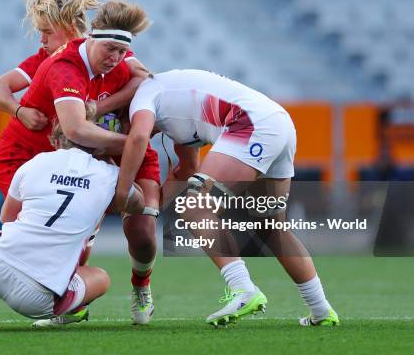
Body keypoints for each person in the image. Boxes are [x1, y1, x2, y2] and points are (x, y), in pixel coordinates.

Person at [115, 69, 339, 327]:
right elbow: (186, 171)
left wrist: (124, 193)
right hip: (277, 124)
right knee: (271, 228)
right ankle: (321, 311)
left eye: (121, 125)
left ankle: (243, 289)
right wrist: (149, 209)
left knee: (194, 208)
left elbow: (138, 137)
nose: (123, 132)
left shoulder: (143, 97)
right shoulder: (168, 105)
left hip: (252, 126)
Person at [0, 106, 146, 332]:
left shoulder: (36, 162)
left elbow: (7, 218)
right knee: (101, 278)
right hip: (37, 301)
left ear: (56, 139)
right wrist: (118, 166)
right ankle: (65, 315)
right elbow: (138, 203)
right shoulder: (110, 175)